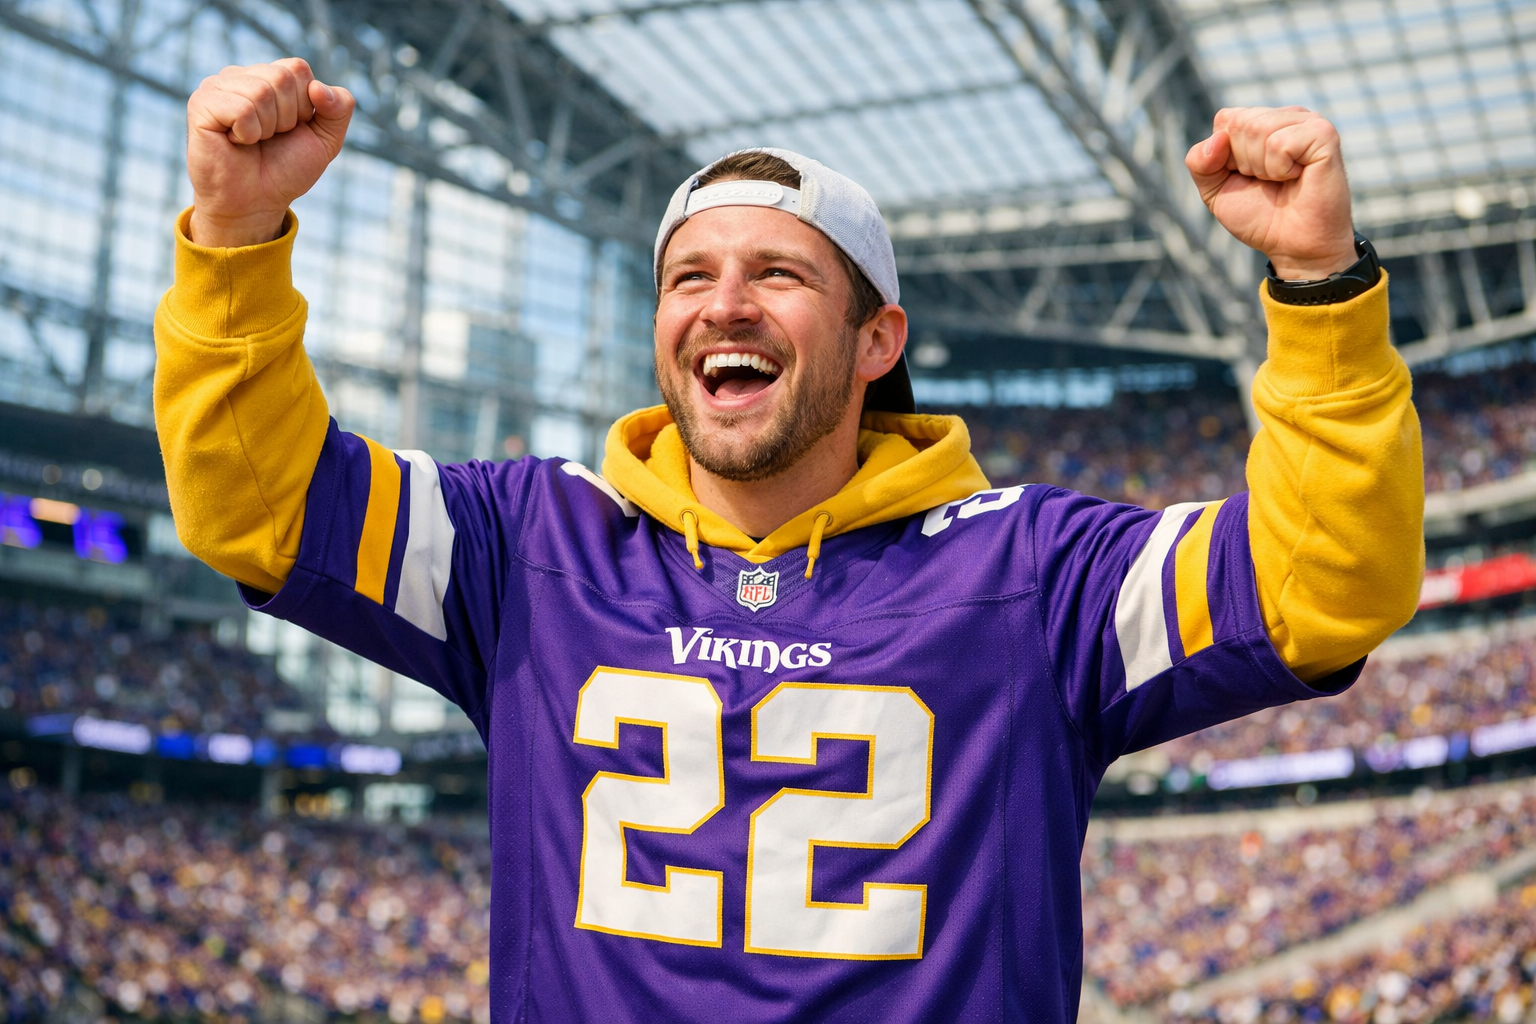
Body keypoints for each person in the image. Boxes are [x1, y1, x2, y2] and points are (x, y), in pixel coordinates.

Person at [154, 57, 1423, 1023]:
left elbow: (1318, 588)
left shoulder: (1032, 575)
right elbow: (261, 507)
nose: (724, 304)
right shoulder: (527, 546)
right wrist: (232, 244)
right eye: (688, 274)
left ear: (879, 343)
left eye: (779, 273)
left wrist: (1318, 291)